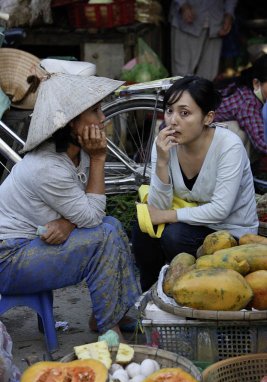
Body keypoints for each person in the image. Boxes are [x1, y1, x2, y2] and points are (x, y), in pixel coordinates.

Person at [0, 69, 141, 339]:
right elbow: (91, 217)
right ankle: (109, 330)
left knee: (111, 225)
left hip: (31, 244)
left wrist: (68, 222)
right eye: (96, 111)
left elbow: (85, 209)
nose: (103, 118)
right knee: (104, 235)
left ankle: (111, 312)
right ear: (70, 123)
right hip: (8, 260)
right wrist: (99, 158)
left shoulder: (76, 153)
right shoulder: (47, 166)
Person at [131, 75, 258, 292]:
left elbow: (220, 210)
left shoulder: (229, 147)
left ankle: (185, 291)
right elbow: (157, 208)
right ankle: (151, 295)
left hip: (230, 232)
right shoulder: (164, 144)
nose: (173, 120)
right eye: (170, 110)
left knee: (175, 236)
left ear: (208, 118)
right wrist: (162, 162)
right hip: (191, 222)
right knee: (142, 229)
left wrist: (168, 216)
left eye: (185, 113)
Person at [214, 53, 267, 170]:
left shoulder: (249, 88)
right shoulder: (248, 102)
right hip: (194, 136)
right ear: (256, 83)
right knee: (238, 131)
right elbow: (261, 143)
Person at [169, 0, 237, 81]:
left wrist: (229, 13)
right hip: (186, 22)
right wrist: (183, 4)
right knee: (181, 76)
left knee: (208, 77)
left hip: (216, 22)